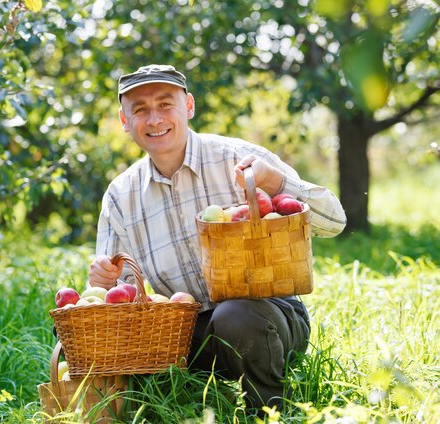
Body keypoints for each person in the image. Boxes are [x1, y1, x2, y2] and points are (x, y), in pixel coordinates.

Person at [87, 64, 346, 410]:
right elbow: (115, 299)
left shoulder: (238, 159)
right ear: (124, 121)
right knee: (79, 333)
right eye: (140, 110)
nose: (154, 119)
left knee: (234, 315)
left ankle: (266, 411)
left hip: (264, 317)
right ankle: (155, 406)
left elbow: (334, 221)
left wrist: (275, 184)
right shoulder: (121, 194)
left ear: (189, 107)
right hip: (179, 334)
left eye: (165, 104)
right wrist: (101, 281)